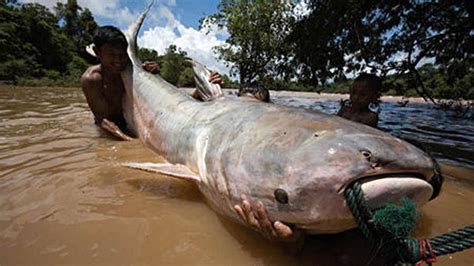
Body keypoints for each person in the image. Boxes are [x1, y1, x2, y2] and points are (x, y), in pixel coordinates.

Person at [81, 26, 221, 140]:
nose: (118, 60)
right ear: (97, 52)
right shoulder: (92, 79)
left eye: (122, 55)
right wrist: (127, 142)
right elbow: (102, 121)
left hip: (131, 123)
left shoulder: (132, 72)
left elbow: (174, 107)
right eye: (111, 54)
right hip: (110, 130)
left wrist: (206, 86)